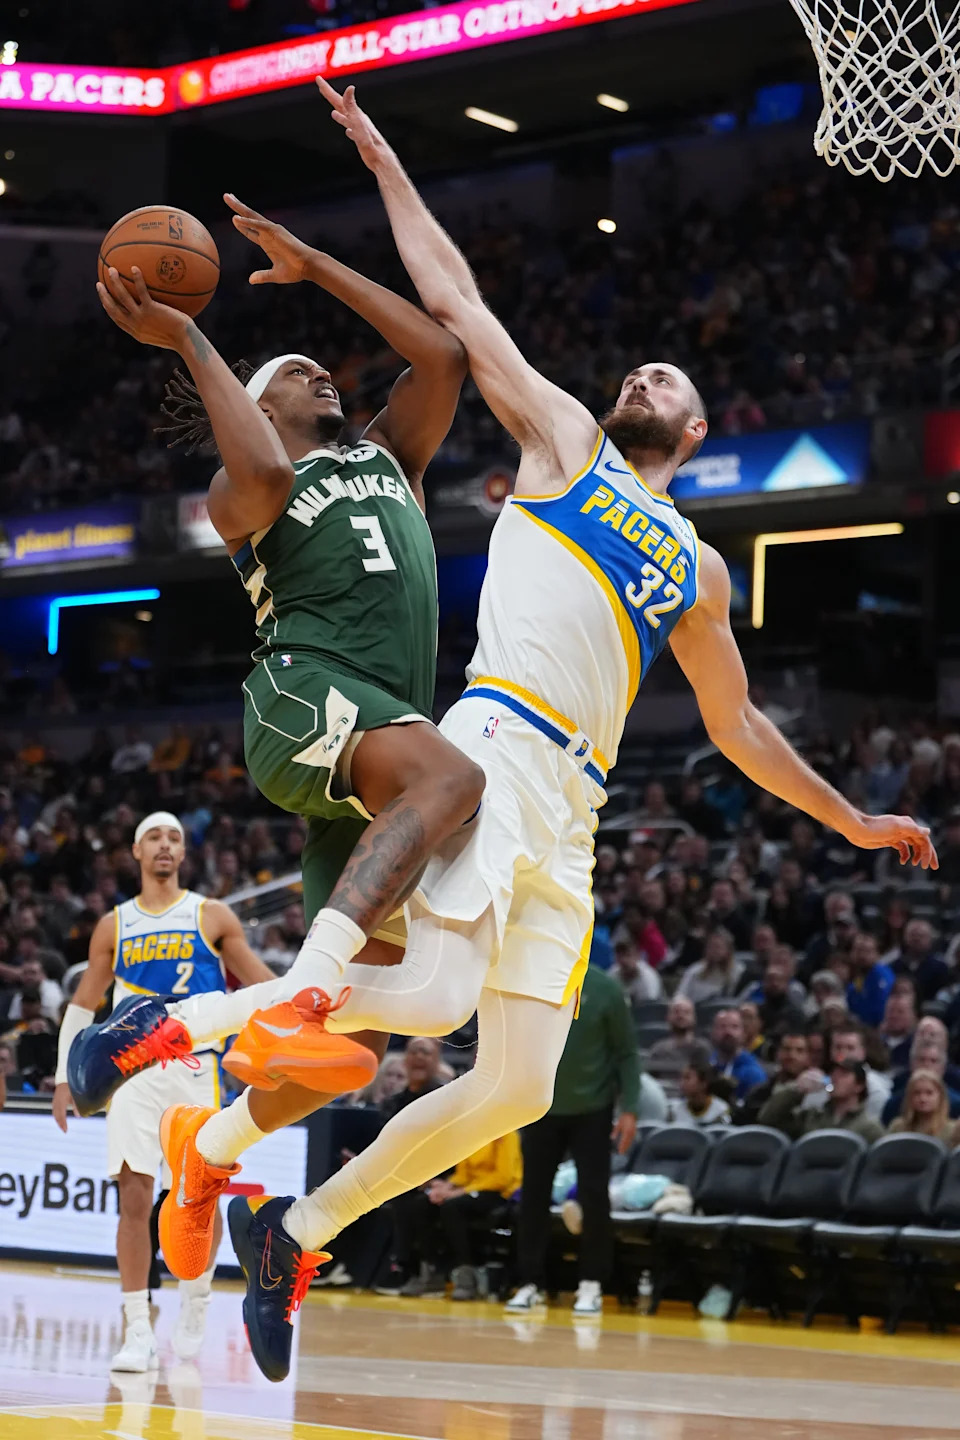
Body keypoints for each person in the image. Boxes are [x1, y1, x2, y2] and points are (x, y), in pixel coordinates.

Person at [74, 80, 936, 1384]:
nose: (643, 371)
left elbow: (741, 723)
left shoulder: (698, 574)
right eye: (638, 363)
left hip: (575, 806)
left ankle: (295, 1229)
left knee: (520, 1085)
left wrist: (852, 819)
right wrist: (376, 163)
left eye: (669, 375)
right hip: (494, 745)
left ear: (696, 434)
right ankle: (168, 1035)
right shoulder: (567, 442)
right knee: (421, 997)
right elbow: (456, 308)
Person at [83, 195, 481, 1136]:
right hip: (302, 700)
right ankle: (294, 992)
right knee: (455, 776)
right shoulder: (243, 488)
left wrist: (318, 264)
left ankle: (207, 1143)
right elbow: (260, 472)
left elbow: (445, 357)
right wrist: (188, 338)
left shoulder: (392, 455)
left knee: (352, 1053)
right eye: (298, 374)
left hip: (377, 744)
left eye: (321, 367)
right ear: (258, 406)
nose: (322, 374)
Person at [54, 812, 276, 1372]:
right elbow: (83, 1006)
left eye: (174, 838)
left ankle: (196, 1298)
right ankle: (136, 1330)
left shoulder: (210, 915)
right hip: (131, 1071)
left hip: (196, 1069)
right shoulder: (115, 924)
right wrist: (63, 1077)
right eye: (154, 836)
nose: (165, 845)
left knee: (196, 1197)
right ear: (135, 850)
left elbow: (264, 986)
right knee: (133, 1199)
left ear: (183, 853)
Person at [505, 964, 639, 1317]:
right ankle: (531, 1282)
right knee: (532, 1195)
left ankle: (591, 1284)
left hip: (592, 1109)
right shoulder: (533, 978)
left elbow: (627, 1052)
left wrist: (631, 1109)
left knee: (594, 1198)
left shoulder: (607, 989)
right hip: (539, 1106)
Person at [391, 1130, 522, 1302]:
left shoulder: (507, 1134)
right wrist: (447, 1186)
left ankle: (465, 1275)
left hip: (499, 1193)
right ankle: (432, 1269)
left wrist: (459, 1192)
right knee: (421, 1204)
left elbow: (503, 1178)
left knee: (452, 1207)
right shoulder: (470, 1132)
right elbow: (463, 1174)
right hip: (469, 1189)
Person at [758, 1059, 885, 1143]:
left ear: (859, 1086)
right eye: (833, 1073)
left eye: (843, 1074)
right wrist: (796, 1090)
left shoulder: (869, 1128)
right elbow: (768, 1119)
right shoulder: (811, 1117)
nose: (835, 1078)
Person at [738, 1030, 812, 1125]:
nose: (792, 1055)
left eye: (799, 1050)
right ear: (777, 1054)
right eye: (786, 1049)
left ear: (808, 1057)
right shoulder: (759, 1093)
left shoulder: (816, 1095)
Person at [646, 995, 710, 1087]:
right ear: (668, 1017)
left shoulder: (702, 1048)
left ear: (694, 1018)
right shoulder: (658, 1049)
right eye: (676, 1012)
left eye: (686, 1012)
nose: (681, 1015)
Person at [709, 1008, 767, 1101]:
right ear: (713, 1032)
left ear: (744, 1033)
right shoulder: (707, 1062)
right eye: (722, 1026)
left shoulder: (752, 1072)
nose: (728, 1032)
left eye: (734, 1027)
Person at [675, 927, 744, 1005]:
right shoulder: (696, 969)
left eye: (717, 947)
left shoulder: (738, 972)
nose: (713, 951)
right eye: (710, 947)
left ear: (728, 950)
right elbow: (680, 994)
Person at [887, 919, 950, 1004]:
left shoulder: (941, 968)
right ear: (905, 938)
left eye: (921, 936)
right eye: (913, 935)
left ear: (930, 939)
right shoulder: (893, 966)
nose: (916, 939)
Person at [888, 1069, 958, 1144]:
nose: (923, 1099)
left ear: (940, 1096)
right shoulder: (897, 1127)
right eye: (917, 1093)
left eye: (929, 1093)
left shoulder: (954, 1130)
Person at [846, 931, 896, 1028]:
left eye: (867, 951)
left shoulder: (881, 975)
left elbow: (881, 1011)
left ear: (877, 954)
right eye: (858, 950)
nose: (862, 956)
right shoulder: (857, 976)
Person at [668, 1060, 732, 1128]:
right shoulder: (675, 1110)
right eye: (681, 1078)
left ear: (703, 1083)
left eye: (687, 1078)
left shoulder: (721, 1111)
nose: (682, 1082)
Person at [878, 991, 917, 1075]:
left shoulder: (916, 1046)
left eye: (900, 1012)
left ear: (912, 1015)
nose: (894, 1015)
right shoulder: (875, 1044)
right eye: (891, 1011)